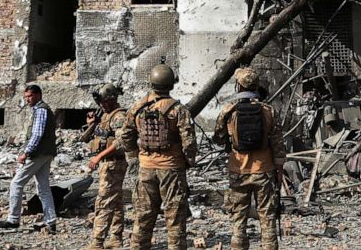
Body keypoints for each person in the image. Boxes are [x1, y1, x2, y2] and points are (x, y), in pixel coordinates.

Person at [120, 64, 197, 250]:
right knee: (175, 220)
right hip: (171, 169)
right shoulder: (178, 110)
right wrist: (188, 162)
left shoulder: (138, 107)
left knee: (143, 218)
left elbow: (125, 136)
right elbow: (189, 143)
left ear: (151, 82)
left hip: (146, 169)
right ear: (171, 83)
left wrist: (135, 157)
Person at [213, 67, 286, 250]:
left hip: (238, 171)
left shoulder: (229, 111)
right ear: (256, 86)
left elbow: (219, 140)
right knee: (267, 218)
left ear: (238, 86)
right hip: (264, 170)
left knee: (238, 219)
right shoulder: (268, 111)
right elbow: (278, 144)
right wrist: (279, 170)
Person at [0, 84, 58, 233]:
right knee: (43, 188)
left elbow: (37, 135)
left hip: (38, 154)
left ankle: (13, 219)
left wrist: (26, 153)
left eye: (30, 96)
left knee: (16, 183)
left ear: (38, 95)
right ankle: (50, 221)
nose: (27, 100)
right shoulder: (43, 109)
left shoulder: (41, 110)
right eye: (26, 97)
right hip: (46, 153)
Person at [80, 83, 128, 250]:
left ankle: (97, 242)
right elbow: (84, 139)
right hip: (107, 163)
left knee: (104, 202)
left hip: (114, 163)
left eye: (104, 102)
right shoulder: (104, 116)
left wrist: (99, 156)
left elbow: (121, 143)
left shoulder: (119, 117)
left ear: (112, 99)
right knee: (116, 202)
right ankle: (115, 238)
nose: (101, 105)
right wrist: (92, 124)